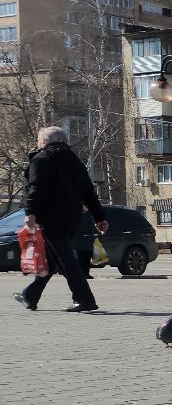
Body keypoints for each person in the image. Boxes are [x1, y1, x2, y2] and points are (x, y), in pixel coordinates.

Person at [15, 126, 107, 314]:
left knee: (65, 259)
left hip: (50, 218)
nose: (38, 143)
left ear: (45, 142)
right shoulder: (74, 161)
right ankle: (30, 295)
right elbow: (88, 191)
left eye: (39, 140)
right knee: (53, 259)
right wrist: (99, 217)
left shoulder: (41, 159)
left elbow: (35, 188)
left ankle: (84, 300)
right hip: (72, 218)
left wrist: (30, 213)